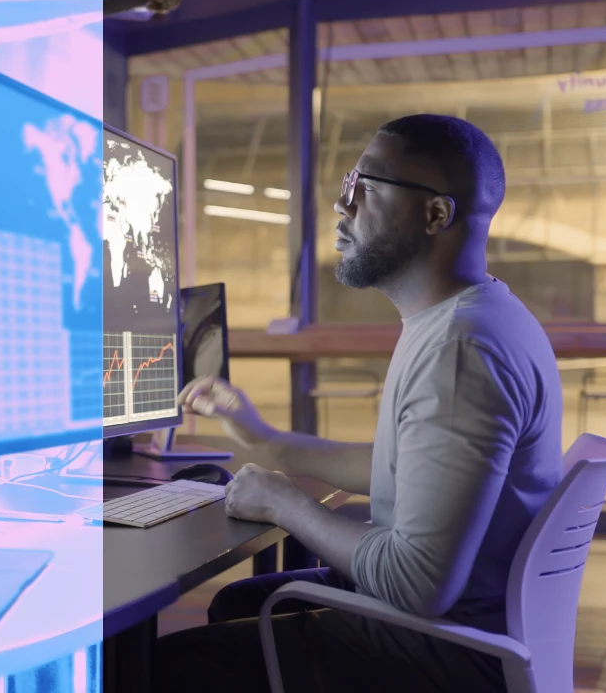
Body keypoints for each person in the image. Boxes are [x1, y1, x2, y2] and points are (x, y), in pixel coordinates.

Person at [154, 114, 564, 693]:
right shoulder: (471, 316)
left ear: (436, 214)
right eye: (348, 185)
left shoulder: (459, 348)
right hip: (468, 628)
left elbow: (417, 584)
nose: (343, 207)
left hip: (445, 652)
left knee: (164, 668)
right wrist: (265, 441)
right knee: (240, 601)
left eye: (365, 189)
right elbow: (408, 467)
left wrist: (285, 503)